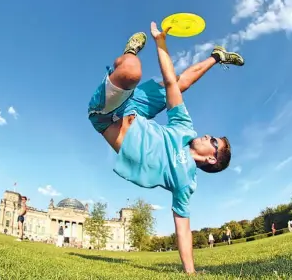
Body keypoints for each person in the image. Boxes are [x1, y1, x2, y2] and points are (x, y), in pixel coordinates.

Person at [87, 22, 244, 274]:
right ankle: (217, 57)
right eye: (213, 136)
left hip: (107, 117)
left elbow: (182, 226)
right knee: (179, 84)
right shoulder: (185, 129)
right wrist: (160, 41)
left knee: (131, 70)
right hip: (137, 109)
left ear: (212, 159)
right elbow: (172, 82)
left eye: (214, 142)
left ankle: (129, 53)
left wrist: (190, 272)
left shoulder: (185, 181)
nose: (208, 135)